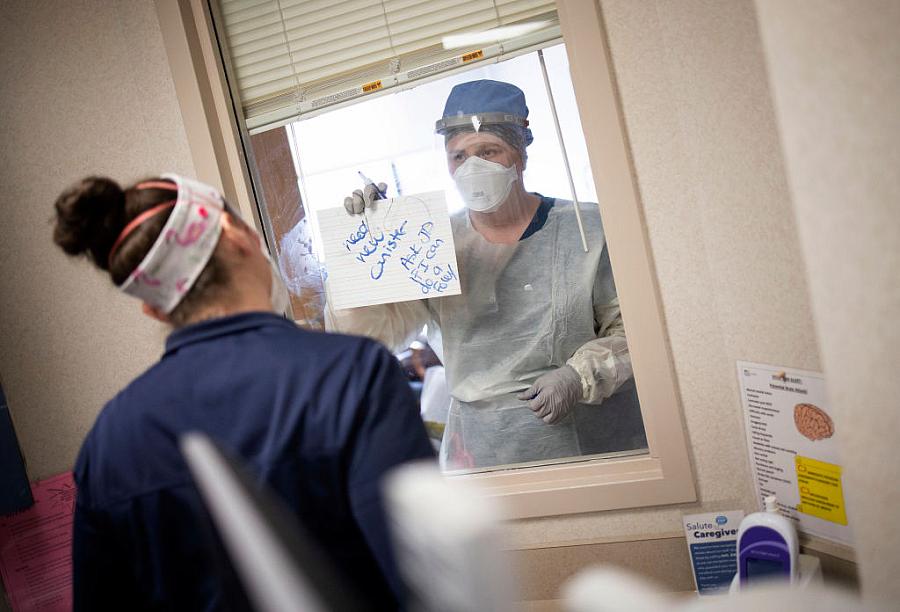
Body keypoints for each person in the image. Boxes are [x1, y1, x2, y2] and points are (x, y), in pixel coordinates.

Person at [52, 174, 434, 610]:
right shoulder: (352, 375)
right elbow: (424, 577)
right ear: (235, 233)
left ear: (153, 306)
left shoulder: (107, 442)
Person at [328, 80, 647, 470]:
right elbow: (368, 336)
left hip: (592, 445)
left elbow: (639, 331)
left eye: (488, 151)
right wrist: (363, 250)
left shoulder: (587, 228)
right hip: (483, 453)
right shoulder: (431, 245)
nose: (472, 167)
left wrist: (578, 377)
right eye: (459, 156)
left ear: (520, 155)